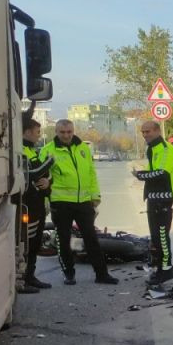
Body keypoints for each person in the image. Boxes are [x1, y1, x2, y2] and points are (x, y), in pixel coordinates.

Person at [41, 119, 118, 285]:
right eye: (62, 132)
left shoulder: (83, 148)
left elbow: (90, 173)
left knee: (91, 239)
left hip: (83, 202)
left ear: (73, 130)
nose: (66, 135)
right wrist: (47, 199)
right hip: (60, 203)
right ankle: (69, 273)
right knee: (63, 240)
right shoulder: (48, 151)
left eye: (69, 132)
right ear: (56, 132)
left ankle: (102, 274)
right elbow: (43, 177)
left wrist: (95, 195)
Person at [135, 121, 173, 286]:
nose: (145, 135)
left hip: (164, 197)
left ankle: (167, 268)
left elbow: (161, 173)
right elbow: (152, 170)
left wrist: (140, 175)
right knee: (156, 236)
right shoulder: (152, 149)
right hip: (154, 197)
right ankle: (161, 266)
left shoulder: (166, 149)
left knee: (161, 235)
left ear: (157, 130)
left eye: (148, 131)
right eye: (143, 132)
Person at [19, 116, 53, 293]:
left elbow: (44, 175)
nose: (39, 136)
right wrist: (50, 161)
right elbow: (30, 174)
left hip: (38, 205)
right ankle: (22, 279)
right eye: (37, 132)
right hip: (28, 205)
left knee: (35, 243)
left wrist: (48, 181)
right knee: (27, 244)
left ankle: (30, 276)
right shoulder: (20, 150)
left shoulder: (32, 151)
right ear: (26, 132)